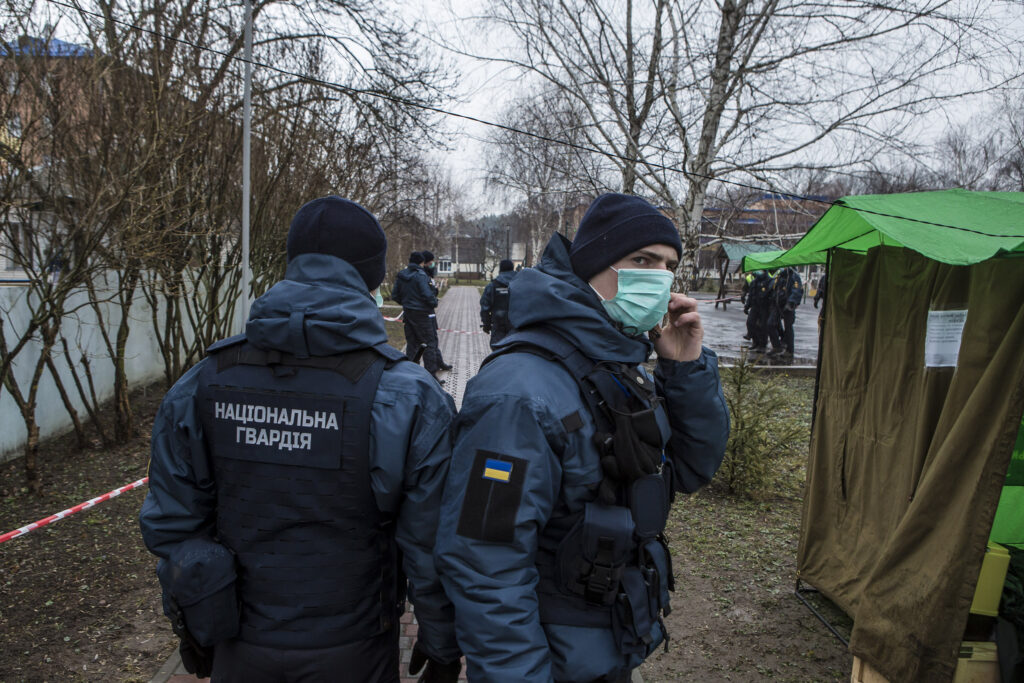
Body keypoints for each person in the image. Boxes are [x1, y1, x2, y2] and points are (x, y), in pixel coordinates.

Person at [139, 196, 461, 683]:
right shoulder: (407, 395)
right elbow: (430, 542)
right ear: (371, 278)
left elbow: (174, 527)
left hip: (239, 647)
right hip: (355, 649)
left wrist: (192, 623)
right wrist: (441, 643)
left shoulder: (203, 382)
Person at [435, 193, 730, 683]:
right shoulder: (520, 391)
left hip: (607, 648)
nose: (657, 278)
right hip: (552, 662)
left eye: (668, 266)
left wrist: (685, 368)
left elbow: (695, 467)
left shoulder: (616, 366)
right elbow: (484, 564)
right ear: (591, 266)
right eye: (641, 261)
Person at [392, 251, 444, 382]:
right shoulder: (421, 275)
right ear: (421, 262)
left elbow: (395, 295)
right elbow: (427, 295)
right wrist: (434, 302)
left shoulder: (402, 275)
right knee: (429, 344)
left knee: (412, 344)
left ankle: (410, 374)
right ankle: (430, 377)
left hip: (408, 314)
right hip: (422, 314)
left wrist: (406, 304)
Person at [420, 250, 453, 372]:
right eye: (432, 262)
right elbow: (429, 295)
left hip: (428, 312)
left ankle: (439, 362)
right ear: (426, 262)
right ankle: (432, 369)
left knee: (433, 338)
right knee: (430, 340)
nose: (433, 264)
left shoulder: (427, 275)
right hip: (426, 312)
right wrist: (434, 292)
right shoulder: (423, 276)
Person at [479, 258, 517, 348]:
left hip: (498, 325)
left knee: (497, 351)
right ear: (512, 269)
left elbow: (485, 307)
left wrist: (486, 325)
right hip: (516, 326)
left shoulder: (492, 286)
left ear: (500, 269)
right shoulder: (519, 284)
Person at [767, 266, 803, 360]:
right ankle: (777, 346)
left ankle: (789, 351)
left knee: (788, 328)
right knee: (770, 324)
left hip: (788, 306)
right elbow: (775, 288)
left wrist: (791, 302)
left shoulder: (793, 275)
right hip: (777, 304)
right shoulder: (780, 275)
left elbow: (797, 290)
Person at [743, 270, 772, 353]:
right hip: (755, 306)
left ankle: (762, 345)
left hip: (764, 307)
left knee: (763, 326)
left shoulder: (769, 281)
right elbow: (751, 295)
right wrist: (747, 306)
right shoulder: (754, 282)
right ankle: (755, 342)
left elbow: (769, 295)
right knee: (750, 323)